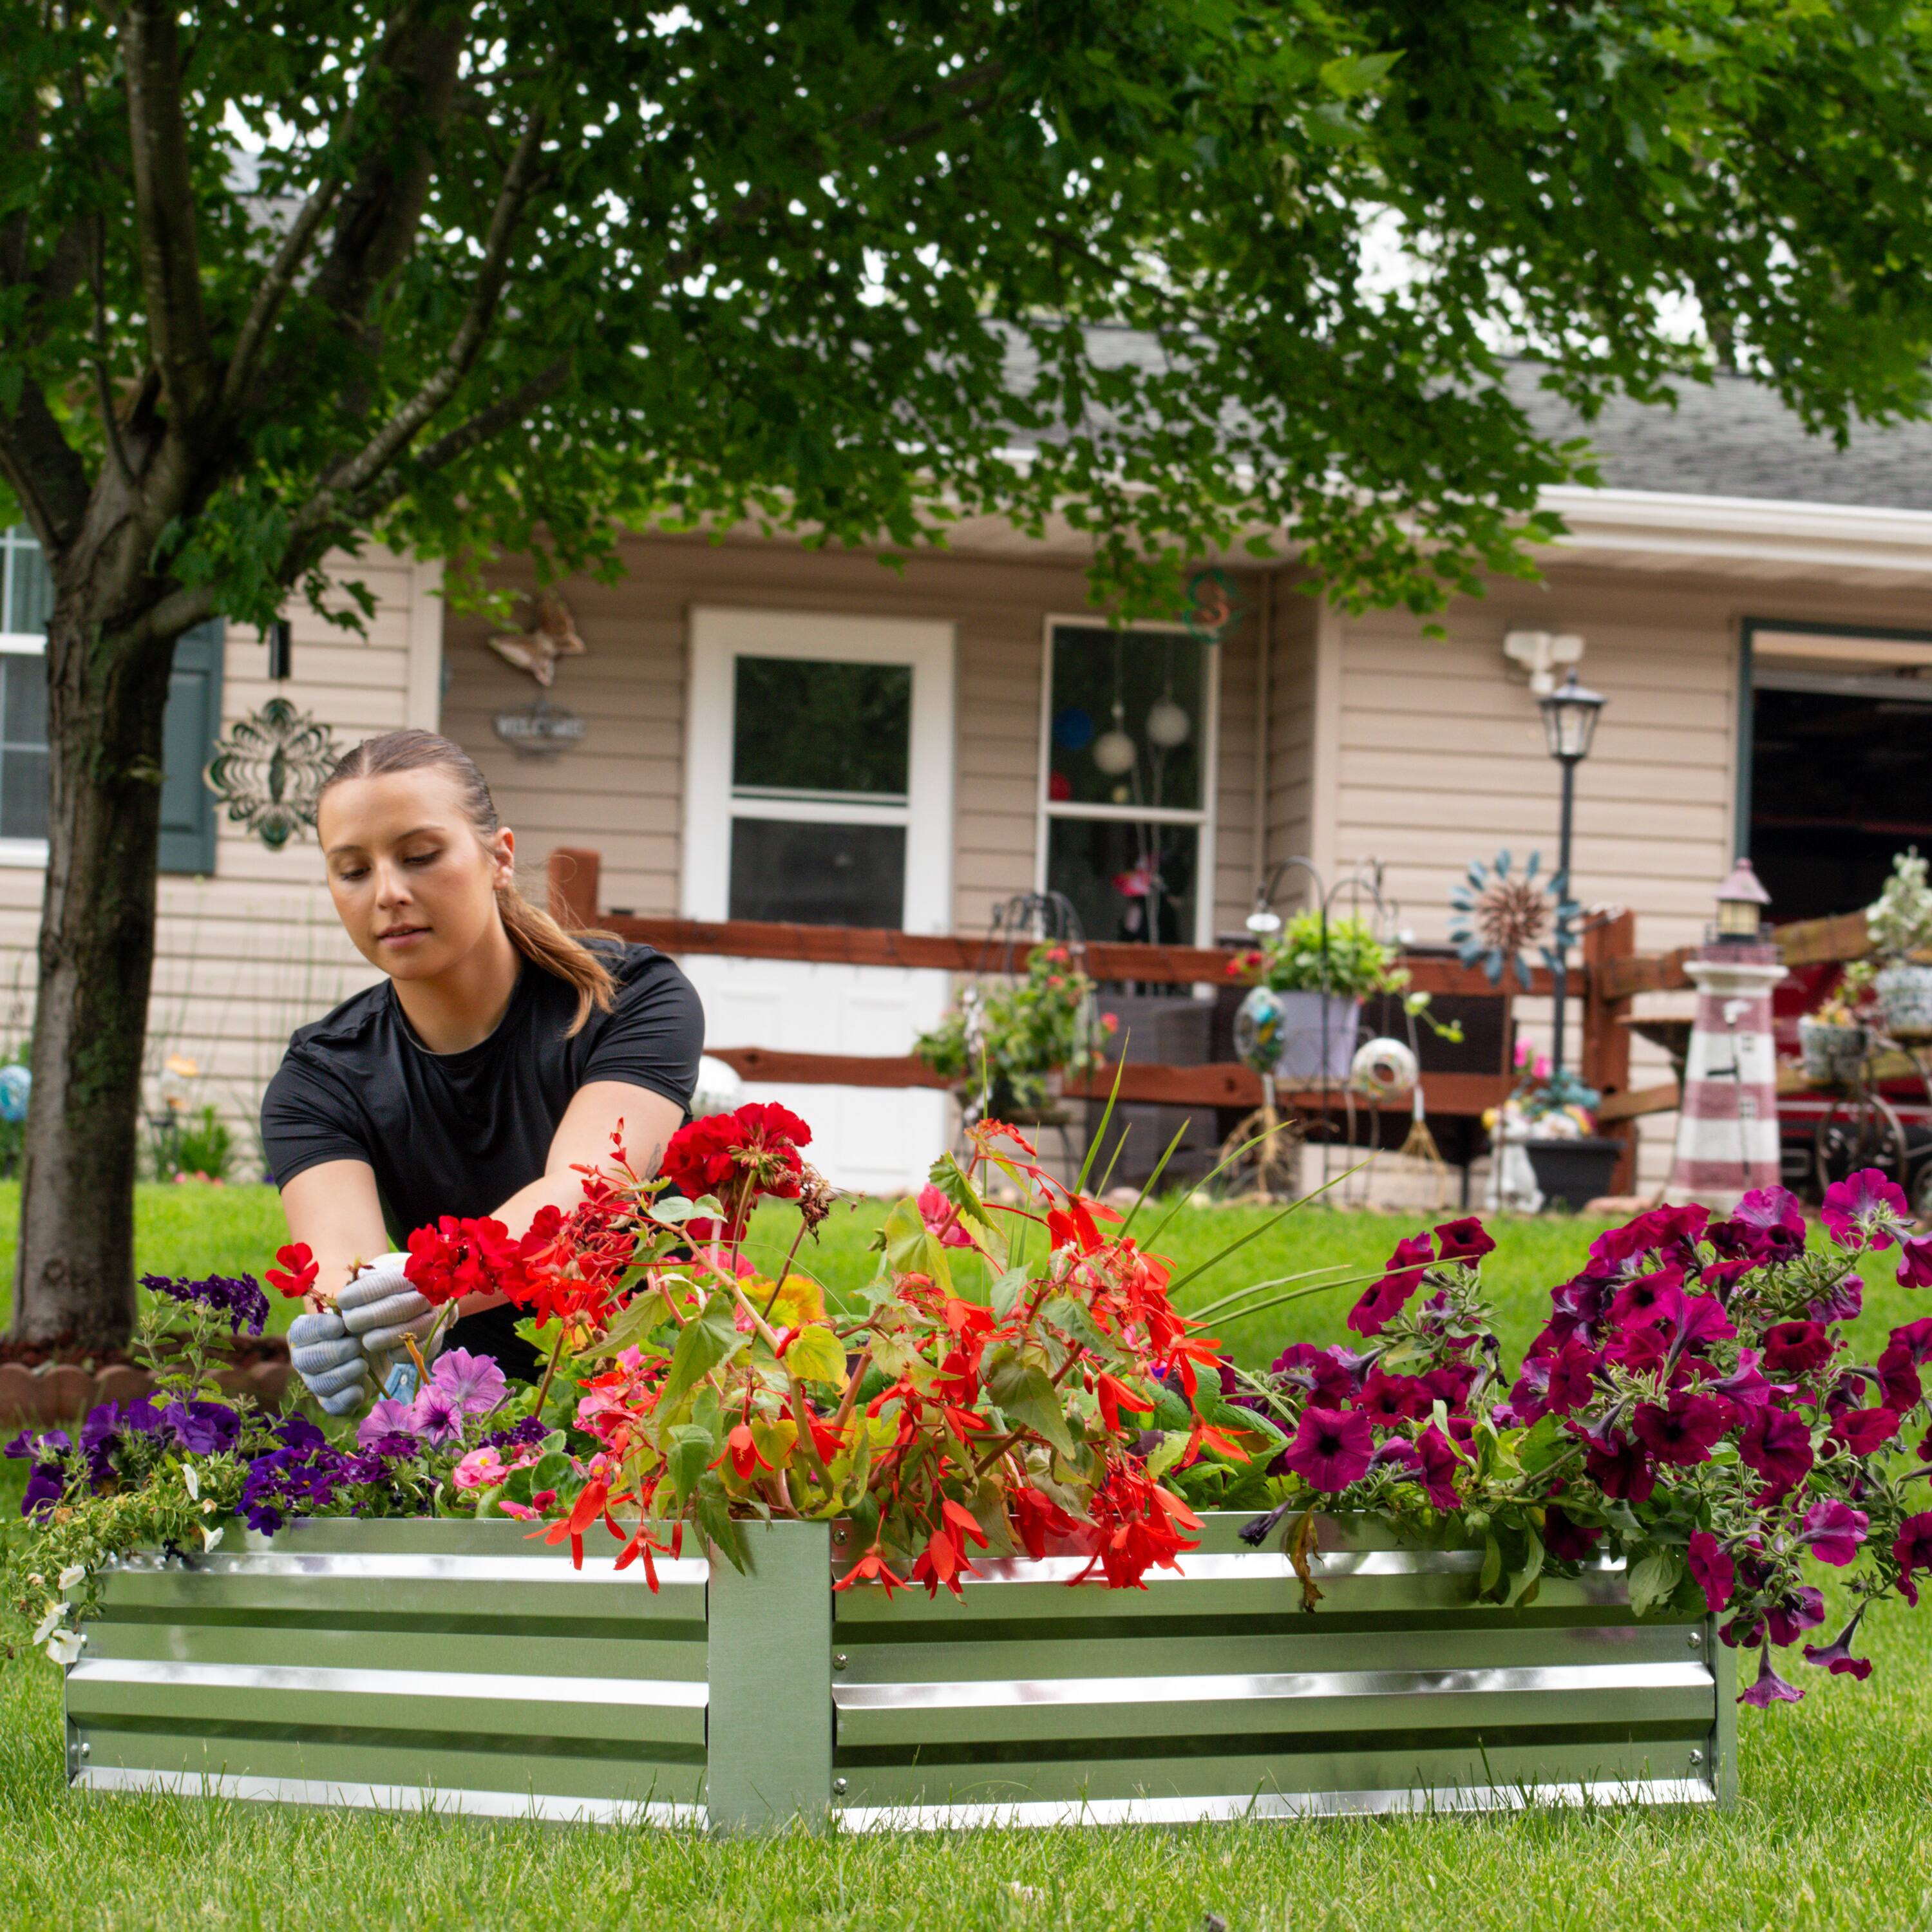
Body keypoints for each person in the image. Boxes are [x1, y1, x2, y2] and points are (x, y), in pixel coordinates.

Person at [263, 729, 703, 1413]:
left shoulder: (631, 998)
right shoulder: (319, 1081)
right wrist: (350, 1338)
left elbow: (587, 1193)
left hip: (660, 1403)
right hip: (468, 1425)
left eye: (420, 856)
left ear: (500, 858)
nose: (388, 893)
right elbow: (352, 1284)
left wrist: (423, 1288)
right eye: (352, 870)